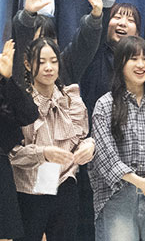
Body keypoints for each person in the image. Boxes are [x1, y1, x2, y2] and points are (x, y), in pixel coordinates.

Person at [89, 36, 145, 241]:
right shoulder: (105, 105)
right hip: (118, 194)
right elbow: (105, 156)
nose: (141, 65)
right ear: (120, 64)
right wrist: (138, 181)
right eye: (133, 59)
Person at [12, 33, 91, 241]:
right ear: (28, 64)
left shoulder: (70, 99)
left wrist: (89, 146)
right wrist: (43, 153)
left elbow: (82, 138)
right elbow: (12, 153)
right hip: (29, 189)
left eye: (54, 61)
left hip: (65, 183)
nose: (49, 67)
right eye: (41, 62)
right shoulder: (19, 101)